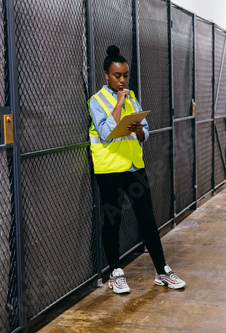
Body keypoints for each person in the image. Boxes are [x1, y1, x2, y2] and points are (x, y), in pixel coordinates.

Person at [88, 45, 186, 294]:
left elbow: (145, 130)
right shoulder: (97, 101)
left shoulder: (133, 98)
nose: (122, 80)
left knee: (148, 220)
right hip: (110, 169)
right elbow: (106, 132)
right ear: (106, 75)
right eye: (117, 76)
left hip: (134, 167)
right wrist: (119, 103)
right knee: (113, 220)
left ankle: (162, 271)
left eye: (125, 75)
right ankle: (115, 273)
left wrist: (141, 131)